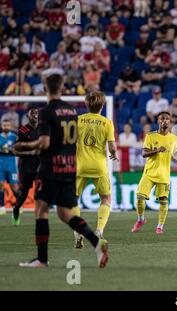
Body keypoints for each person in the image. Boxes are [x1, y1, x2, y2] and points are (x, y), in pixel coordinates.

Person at [13, 74, 109, 268]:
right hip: (69, 167)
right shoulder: (72, 110)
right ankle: (97, 243)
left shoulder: (46, 112)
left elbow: (44, 143)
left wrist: (22, 147)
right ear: (63, 87)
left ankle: (42, 259)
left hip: (50, 168)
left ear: (45, 88)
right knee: (65, 214)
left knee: (41, 210)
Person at [130, 111, 177, 234]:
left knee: (163, 201)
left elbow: (176, 155)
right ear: (158, 121)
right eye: (162, 119)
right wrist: (157, 150)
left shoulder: (174, 138)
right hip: (149, 173)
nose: (165, 121)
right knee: (139, 197)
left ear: (170, 122)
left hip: (164, 175)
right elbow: (144, 153)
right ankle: (141, 219)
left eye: (167, 119)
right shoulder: (150, 136)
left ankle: (160, 226)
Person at [72, 91, 118, 248]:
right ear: (102, 105)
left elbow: (69, 142)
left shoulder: (77, 120)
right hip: (99, 165)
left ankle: (77, 232)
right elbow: (112, 147)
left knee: (73, 200)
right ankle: (99, 230)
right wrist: (114, 154)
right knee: (105, 199)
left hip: (80, 165)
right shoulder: (107, 122)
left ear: (86, 104)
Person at [11, 105, 40, 225]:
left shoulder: (44, 129)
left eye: (36, 113)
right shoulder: (23, 131)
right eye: (32, 113)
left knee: (41, 192)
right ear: (28, 116)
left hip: (40, 166)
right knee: (23, 194)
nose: (34, 115)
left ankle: (40, 218)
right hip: (26, 166)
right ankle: (16, 209)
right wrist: (30, 152)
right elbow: (15, 151)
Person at [0, 119, 19, 215]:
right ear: (1, 126)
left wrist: (11, 150)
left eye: (8, 125)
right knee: (1, 186)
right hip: (1, 166)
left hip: (11, 167)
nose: (6, 127)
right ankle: (2, 207)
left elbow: (19, 149)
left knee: (14, 188)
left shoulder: (14, 137)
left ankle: (19, 204)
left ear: (10, 126)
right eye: (4, 125)